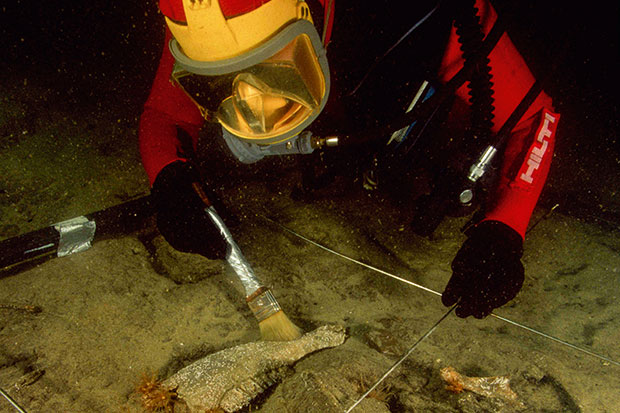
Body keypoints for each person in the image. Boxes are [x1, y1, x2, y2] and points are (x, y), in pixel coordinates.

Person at [139, 0, 560, 319]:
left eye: (269, 67)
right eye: (213, 84)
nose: (252, 106)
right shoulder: (205, 18)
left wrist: (503, 230)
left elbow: (535, 119)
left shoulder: (432, 20)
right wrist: (171, 180)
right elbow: (164, 113)